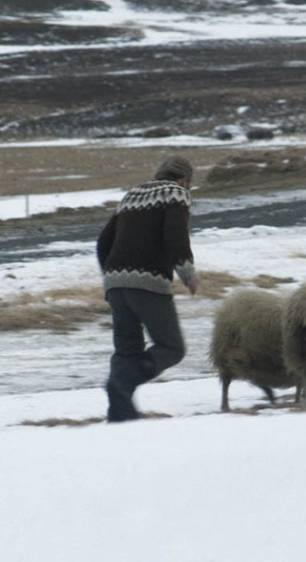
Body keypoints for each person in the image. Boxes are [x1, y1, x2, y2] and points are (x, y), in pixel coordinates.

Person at [96, 156, 200, 422]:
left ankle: (121, 413)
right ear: (184, 179)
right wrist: (187, 274)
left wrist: (111, 276)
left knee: (126, 349)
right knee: (171, 346)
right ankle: (123, 382)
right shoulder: (176, 194)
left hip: (115, 284)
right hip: (147, 283)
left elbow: (103, 241)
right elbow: (176, 235)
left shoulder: (132, 194)